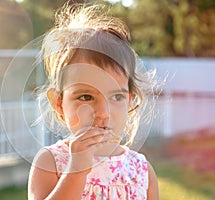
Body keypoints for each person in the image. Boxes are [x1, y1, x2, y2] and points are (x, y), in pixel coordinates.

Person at [28, 3, 159, 200]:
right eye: (86, 97)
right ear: (59, 104)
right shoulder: (50, 163)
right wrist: (77, 170)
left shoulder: (141, 170)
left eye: (116, 97)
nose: (103, 113)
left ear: (129, 101)